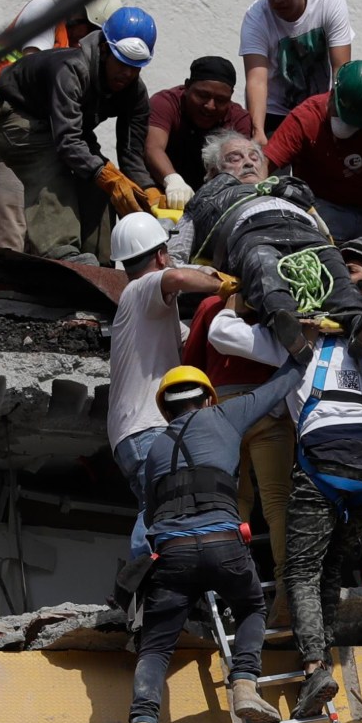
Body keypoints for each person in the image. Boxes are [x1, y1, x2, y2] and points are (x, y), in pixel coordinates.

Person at [208, 242, 362, 719]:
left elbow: (220, 331)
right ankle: (323, 661)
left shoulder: (301, 342)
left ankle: (316, 667)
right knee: (331, 567)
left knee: (300, 571)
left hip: (324, 465)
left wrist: (259, 302)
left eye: (351, 270)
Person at [115, 358, 308, 723]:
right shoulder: (224, 414)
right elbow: (275, 389)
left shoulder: (155, 451)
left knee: (155, 647)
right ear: (207, 399)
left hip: (172, 555)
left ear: (166, 409)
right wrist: (301, 354)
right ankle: (243, 686)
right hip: (224, 544)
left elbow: (150, 516)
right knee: (252, 606)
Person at [166, 130, 362, 363]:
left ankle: (358, 324)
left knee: (331, 260)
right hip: (253, 235)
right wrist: (207, 275)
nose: (247, 163)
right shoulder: (204, 201)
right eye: (234, 158)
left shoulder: (287, 190)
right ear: (214, 171)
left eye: (254, 157)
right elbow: (174, 256)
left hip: (304, 231)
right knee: (262, 261)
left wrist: (327, 243)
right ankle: (288, 327)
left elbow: (323, 230)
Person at [0, 0, 120, 253]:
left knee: (42, 229)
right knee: (11, 229)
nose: (93, 41)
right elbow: (34, 69)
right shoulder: (45, 10)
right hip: (5, 126)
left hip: (37, 134)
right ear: (77, 17)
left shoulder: (76, 51)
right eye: (93, 31)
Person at [0, 7, 162, 266]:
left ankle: (101, 261)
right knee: (50, 164)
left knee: (103, 182)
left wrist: (148, 191)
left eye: (135, 67)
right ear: (104, 49)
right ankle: (60, 252)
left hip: (62, 126)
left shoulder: (135, 94)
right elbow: (67, 142)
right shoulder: (72, 70)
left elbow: (131, 154)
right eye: (122, 62)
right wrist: (106, 175)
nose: (127, 73)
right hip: (17, 114)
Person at [107, 212, 228, 558]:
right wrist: (225, 284)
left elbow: (189, 342)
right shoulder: (141, 289)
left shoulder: (149, 314)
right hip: (146, 428)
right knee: (160, 504)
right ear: (160, 255)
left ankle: (151, 581)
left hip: (131, 432)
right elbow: (174, 277)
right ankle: (140, 582)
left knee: (162, 503)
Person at [182, 295, 295, 627]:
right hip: (269, 403)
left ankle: (236, 593)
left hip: (222, 409)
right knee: (277, 502)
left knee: (233, 503)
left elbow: (190, 366)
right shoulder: (277, 300)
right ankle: (288, 597)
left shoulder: (212, 304)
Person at [264, 60, 362, 258]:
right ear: (333, 94)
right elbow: (264, 166)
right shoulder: (305, 118)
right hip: (324, 207)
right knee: (324, 257)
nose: (348, 128)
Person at [239, 0, 353, 144]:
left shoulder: (330, 3)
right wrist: (257, 132)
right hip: (275, 114)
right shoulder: (256, 17)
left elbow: (341, 70)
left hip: (321, 108)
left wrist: (337, 117)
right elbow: (256, 80)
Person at [146, 56, 252, 208]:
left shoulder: (238, 119)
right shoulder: (165, 103)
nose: (210, 106)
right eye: (202, 95)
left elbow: (238, 167)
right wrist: (172, 180)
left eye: (221, 100)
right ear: (187, 86)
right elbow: (153, 148)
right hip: (161, 194)